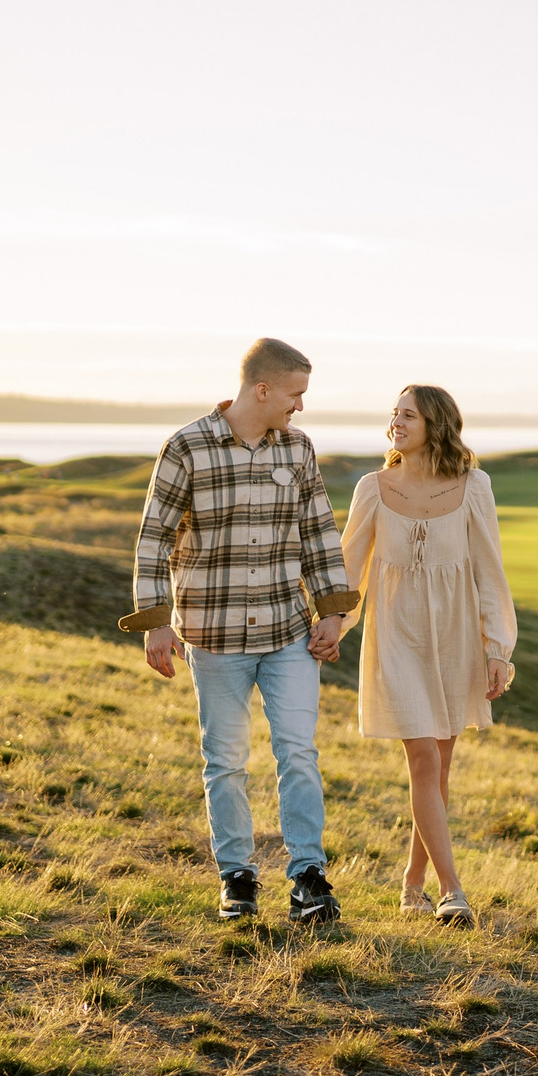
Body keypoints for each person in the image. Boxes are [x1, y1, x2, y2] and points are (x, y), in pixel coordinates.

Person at [121, 338, 358, 925]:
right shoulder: (187, 447)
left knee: (298, 753)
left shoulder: (298, 449)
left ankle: (307, 876)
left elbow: (318, 534)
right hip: (214, 635)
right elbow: (153, 539)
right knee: (225, 760)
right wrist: (154, 623)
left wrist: (332, 612)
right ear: (263, 389)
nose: (300, 406)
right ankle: (237, 878)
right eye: (295, 394)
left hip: (288, 632)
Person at [336, 384, 515, 926]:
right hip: (396, 637)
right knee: (423, 757)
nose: (396, 421)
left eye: (407, 414)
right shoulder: (372, 488)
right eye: (394, 412)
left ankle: (412, 883)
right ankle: (451, 890)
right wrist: (332, 626)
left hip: (456, 639)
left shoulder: (473, 487)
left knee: (436, 772)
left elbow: (489, 570)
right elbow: (350, 571)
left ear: (435, 424)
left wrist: (497, 648)